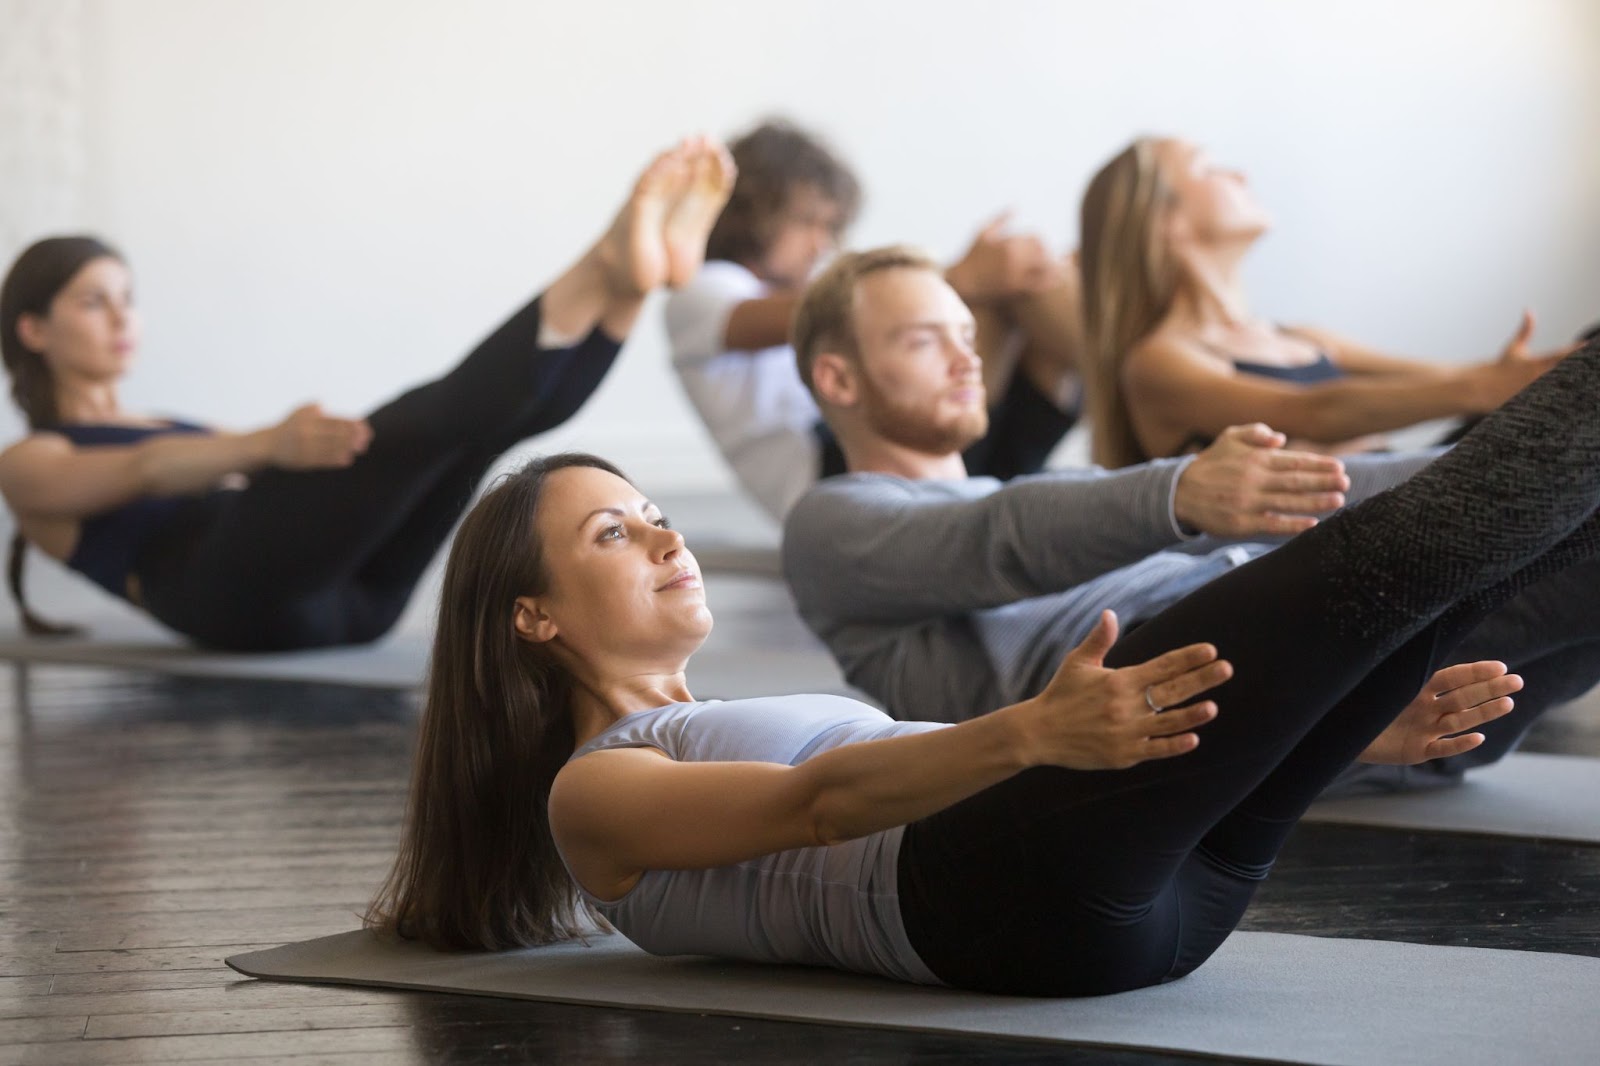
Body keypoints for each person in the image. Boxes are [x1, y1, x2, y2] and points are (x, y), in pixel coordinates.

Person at [366, 338, 1600, 999]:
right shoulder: (591, 791)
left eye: (651, 509)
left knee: (1434, 607)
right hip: (995, 901)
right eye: (612, 533)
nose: (663, 534)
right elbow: (822, 804)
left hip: (1142, 906)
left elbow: (872, 783)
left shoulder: (715, 719)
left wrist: (1362, 725)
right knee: (1390, 556)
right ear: (529, 618)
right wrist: (1029, 732)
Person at [781, 248, 1600, 788]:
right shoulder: (829, 527)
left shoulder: (1054, 497)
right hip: (1284, 669)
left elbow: (1322, 487)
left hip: (1346, 686)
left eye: (967, 333)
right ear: (839, 380)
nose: (967, 357)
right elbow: (994, 538)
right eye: (926, 341)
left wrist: (1495, 467)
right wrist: (1178, 494)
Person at [0, 137, 735, 651]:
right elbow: (144, 470)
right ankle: (606, 260)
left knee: (474, 434)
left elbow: (208, 470)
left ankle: (626, 286)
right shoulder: (29, 461)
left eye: (127, 299)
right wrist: (268, 444)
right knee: (424, 420)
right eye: (94, 302)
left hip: (356, 607)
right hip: (234, 601)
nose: (123, 318)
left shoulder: (163, 423)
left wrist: (276, 456)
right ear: (33, 329)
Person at [664, 118, 1082, 521]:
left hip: (917, 445)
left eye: (831, 226)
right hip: (842, 473)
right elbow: (822, 314)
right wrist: (966, 276)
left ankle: (1121, 376)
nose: (821, 243)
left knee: (1032, 288)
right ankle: (1126, 380)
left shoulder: (792, 289)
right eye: (809, 221)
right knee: (996, 292)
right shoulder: (701, 290)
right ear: (753, 212)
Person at [1077, 136, 1574, 468]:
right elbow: (1313, 412)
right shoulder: (1159, 361)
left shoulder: (1303, 338)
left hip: (1405, 498)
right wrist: (1486, 387)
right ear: (1163, 222)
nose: (1240, 174)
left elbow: (1447, 379)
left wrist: (1520, 379)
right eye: (1208, 168)